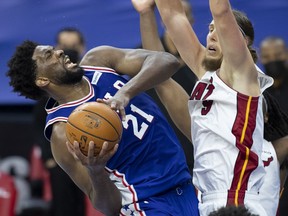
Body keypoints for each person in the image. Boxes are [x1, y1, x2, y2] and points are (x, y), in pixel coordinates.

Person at [6, 41, 200, 215]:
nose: (59, 52)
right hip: (146, 205)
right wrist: (96, 170)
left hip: (187, 183)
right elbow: (109, 207)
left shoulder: (98, 60)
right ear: (42, 81)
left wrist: (125, 92)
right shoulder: (62, 132)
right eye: (49, 55)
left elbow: (167, 61)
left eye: (54, 49)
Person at [151, 0, 274, 215]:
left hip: (236, 197)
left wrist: (221, 18)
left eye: (219, 29)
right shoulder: (205, 72)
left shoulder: (244, 73)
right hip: (206, 197)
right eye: (209, 29)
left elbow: (221, 9)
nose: (212, 35)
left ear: (243, 41)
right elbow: (173, 15)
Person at [136, 0, 197, 174]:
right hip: (161, 143)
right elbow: (158, 63)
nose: (178, 19)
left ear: (192, 19)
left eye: (184, 15)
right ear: (162, 19)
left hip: (196, 139)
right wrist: (145, 13)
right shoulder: (141, 58)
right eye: (172, 14)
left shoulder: (207, 59)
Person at [32, 27, 86, 216]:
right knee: (65, 207)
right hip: (62, 158)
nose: (67, 50)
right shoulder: (48, 86)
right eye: (63, 45)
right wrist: (49, 158)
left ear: (82, 47)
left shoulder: (93, 77)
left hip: (96, 154)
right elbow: (39, 123)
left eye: (73, 46)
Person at [260, 36, 288, 114]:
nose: (272, 60)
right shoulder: (258, 91)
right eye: (266, 57)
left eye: (277, 55)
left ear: (286, 54)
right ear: (261, 59)